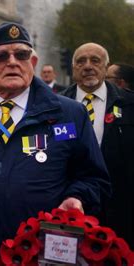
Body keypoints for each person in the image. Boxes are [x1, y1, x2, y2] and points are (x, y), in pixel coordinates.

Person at [0, 23, 110, 265]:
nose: (12, 62)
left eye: (21, 55)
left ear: (32, 63)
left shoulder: (71, 114)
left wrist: (78, 197)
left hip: (46, 254)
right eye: (1, 56)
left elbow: (94, 178)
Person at [60, 43, 134, 248]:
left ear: (106, 66)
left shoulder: (129, 104)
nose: (87, 66)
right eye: (81, 61)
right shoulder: (55, 106)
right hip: (72, 208)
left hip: (120, 208)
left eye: (95, 60)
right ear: (73, 67)